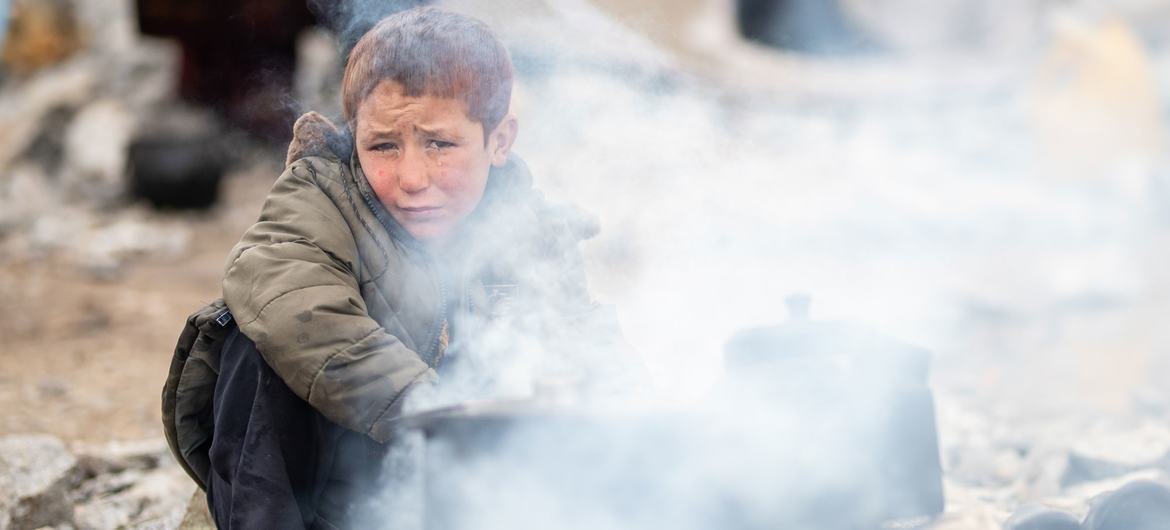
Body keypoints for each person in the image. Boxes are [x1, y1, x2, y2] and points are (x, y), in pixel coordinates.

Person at [190, 7, 629, 528]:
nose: (412, 177)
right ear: (355, 138)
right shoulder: (323, 196)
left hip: (470, 495)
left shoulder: (527, 230)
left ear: (501, 140)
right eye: (383, 146)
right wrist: (442, 417)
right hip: (344, 501)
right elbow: (285, 296)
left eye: (440, 144)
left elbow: (587, 347)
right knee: (255, 345)